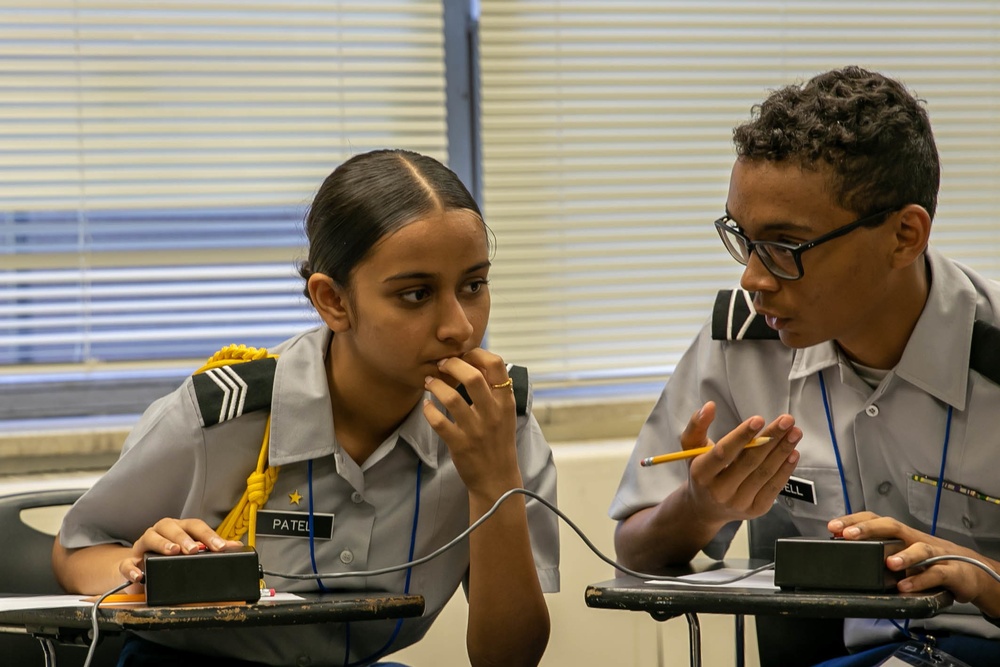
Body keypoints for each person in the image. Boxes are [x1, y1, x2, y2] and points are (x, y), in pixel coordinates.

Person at [52, 149, 560, 667]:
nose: (459, 326)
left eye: (473, 285)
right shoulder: (226, 417)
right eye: (415, 294)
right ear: (333, 301)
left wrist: (494, 481)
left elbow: (509, 659)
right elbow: (76, 550)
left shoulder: (497, 424)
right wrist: (137, 566)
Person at [609, 67, 1000, 666]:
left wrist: (978, 575)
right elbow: (633, 550)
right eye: (743, 239)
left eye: (786, 247)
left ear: (904, 235)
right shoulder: (744, 342)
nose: (753, 278)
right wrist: (701, 505)